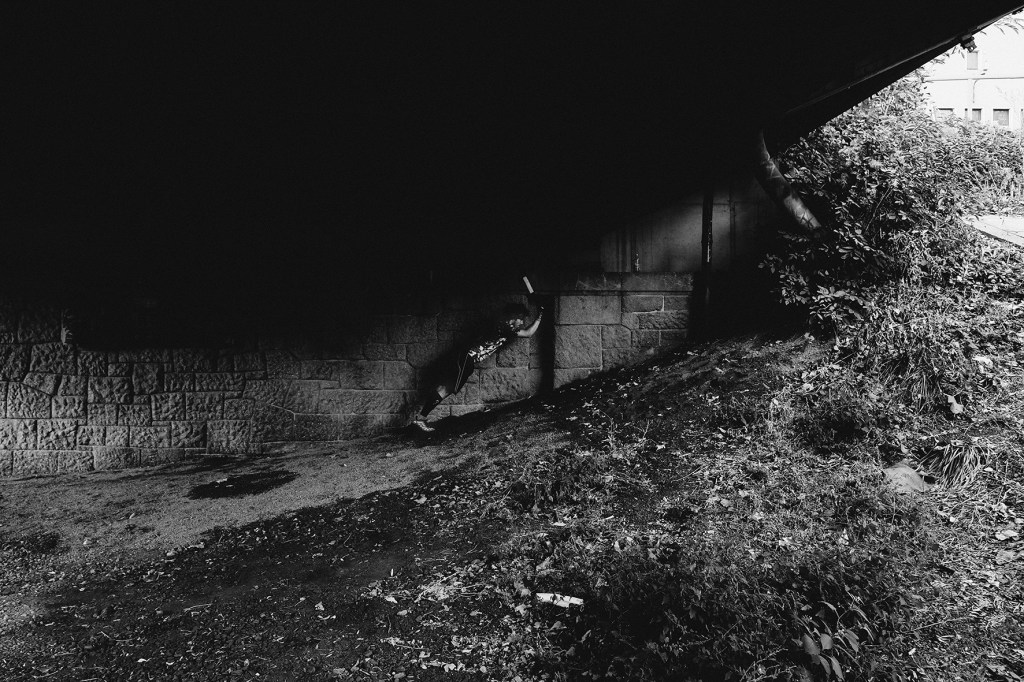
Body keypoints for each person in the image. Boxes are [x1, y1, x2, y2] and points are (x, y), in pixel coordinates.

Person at [412, 301, 543, 432]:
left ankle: (421, 418)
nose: (522, 323)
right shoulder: (502, 326)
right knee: (446, 388)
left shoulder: (506, 328)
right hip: (464, 358)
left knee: (445, 388)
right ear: (513, 316)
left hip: (465, 360)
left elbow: (527, 333)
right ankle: (420, 418)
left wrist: (539, 317)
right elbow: (524, 332)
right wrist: (540, 314)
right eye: (520, 319)